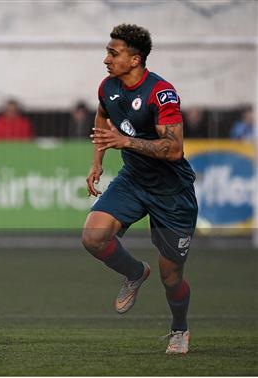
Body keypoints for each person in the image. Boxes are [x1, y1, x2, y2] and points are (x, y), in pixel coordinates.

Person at [82, 24, 197, 354]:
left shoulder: (161, 94)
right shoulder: (108, 87)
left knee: (171, 277)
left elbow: (174, 150)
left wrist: (126, 141)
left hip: (171, 193)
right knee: (93, 236)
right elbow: (102, 116)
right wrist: (97, 162)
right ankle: (134, 272)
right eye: (107, 52)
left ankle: (179, 328)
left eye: (113, 53)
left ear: (135, 59)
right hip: (133, 180)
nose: (106, 59)